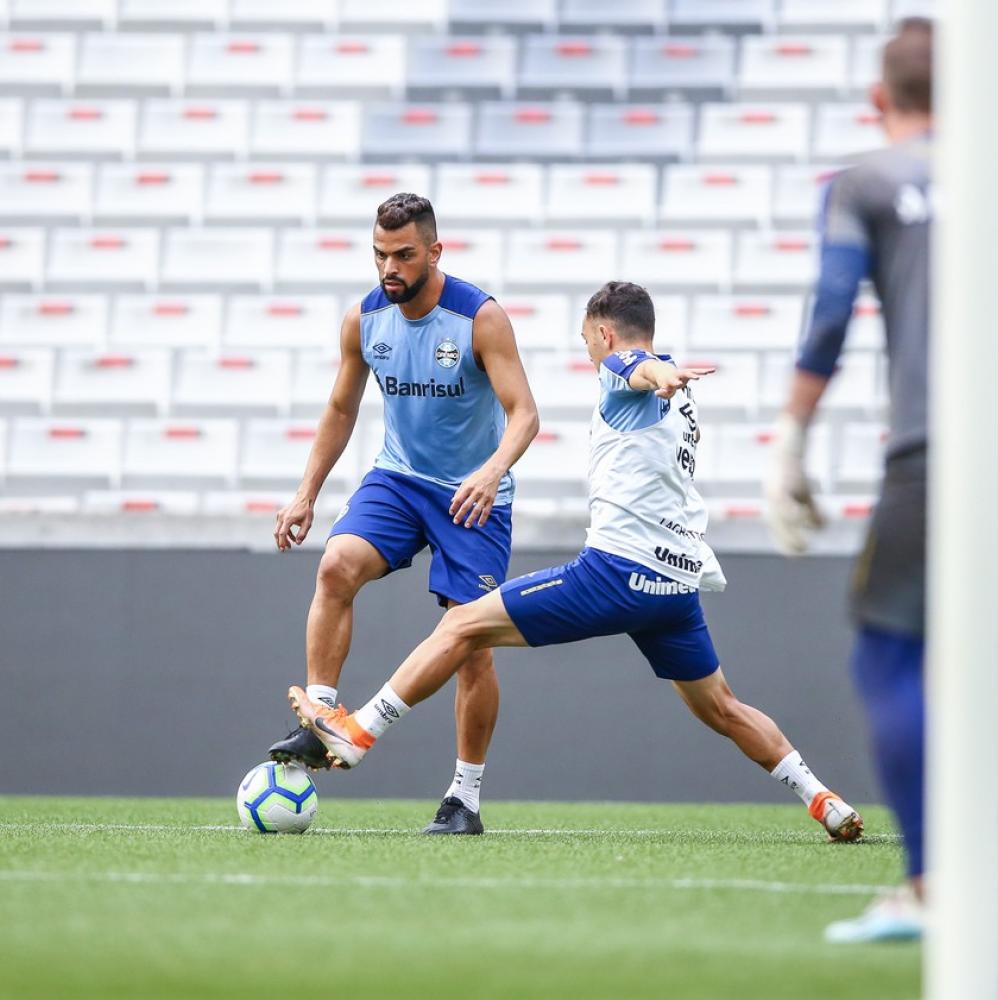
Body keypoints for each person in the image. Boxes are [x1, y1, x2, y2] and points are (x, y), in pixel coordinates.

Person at [763, 19, 998, 942]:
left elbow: (828, 316)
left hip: (935, 452)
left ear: (879, 100)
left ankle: (932, 886)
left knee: (888, 655)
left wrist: (791, 445)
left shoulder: (868, 182)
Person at [286, 281, 865, 841]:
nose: (586, 348)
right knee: (723, 706)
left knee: (461, 625)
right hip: (673, 585)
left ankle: (358, 732)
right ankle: (823, 799)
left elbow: (633, 368)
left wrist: (655, 370)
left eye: (587, 337)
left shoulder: (626, 374)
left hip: (615, 574)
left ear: (606, 333)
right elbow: (650, 373)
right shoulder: (679, 402)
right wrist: (666, 374)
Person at [269, 193, 540, 835]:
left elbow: (525, 413)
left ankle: (464, 798)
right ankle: (322, 720)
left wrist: (493, 469)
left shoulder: (480, 318)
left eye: (403, 255)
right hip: (399, 477)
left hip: (472, 494)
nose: (389, 268)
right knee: (336, 565)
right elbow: (340, 409)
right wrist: (306, 491)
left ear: (435, 252)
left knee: (470, 643)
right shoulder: (363, 320)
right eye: (379, 254)